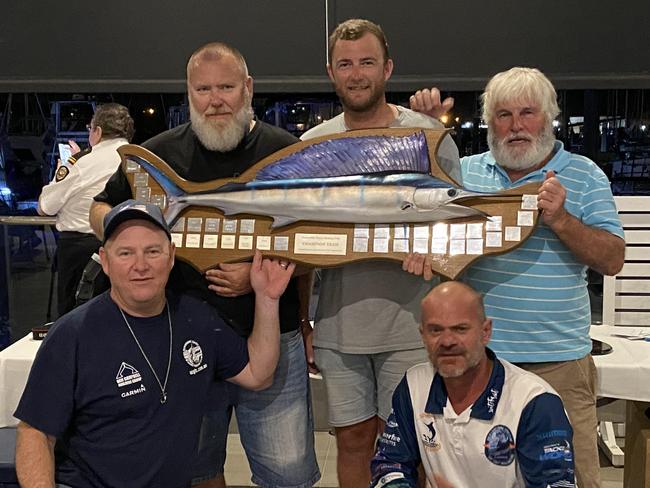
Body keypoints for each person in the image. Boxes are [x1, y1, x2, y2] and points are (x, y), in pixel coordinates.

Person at [89, 43, 319, 488]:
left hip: (274, 333)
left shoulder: (290, 154)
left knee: (288, 472)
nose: (215, 99)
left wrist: (257, 277)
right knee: (194, 469)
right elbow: (101, 208)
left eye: (226, 87)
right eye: (204, 89)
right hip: (180, 342)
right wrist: (126, 231)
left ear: (248, 89)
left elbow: (321, 244)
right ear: (189, 93)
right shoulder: (156, 156)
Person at [407, 67, 625, 488]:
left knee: (572, 479)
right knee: (470, 476)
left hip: (558, 362)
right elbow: (429, 232)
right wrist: (424, 256)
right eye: (503, 115)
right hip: (479, 361)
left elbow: (612, 259)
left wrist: (561, 219)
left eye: (528, 113)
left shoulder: (583, 173)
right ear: (490, 123)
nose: (516, 126)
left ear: (550, 117)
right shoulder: (464, 173)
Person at [14, 199, 295, 488]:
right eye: (126, 253)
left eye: (153, 251)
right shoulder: (72, 334)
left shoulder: (196, 319)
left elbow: (258, 374)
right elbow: (35, 433)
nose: (141, 265)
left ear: (171, 256)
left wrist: (268, 299)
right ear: (105, 261)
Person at [298, 18, 460, 487]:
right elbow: (302, 245)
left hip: (411, 324)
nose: (356, 74)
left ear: (387, 68)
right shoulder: (313, 145)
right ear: (331, 72)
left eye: (366, 62)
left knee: (411, 443)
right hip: (338, 325)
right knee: (351, 441)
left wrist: (433, 252)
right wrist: (305, 321)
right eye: (345, 64)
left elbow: (456, 216)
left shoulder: (428, 135)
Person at [370, 281, 576, 488]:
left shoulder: (535, 401)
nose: (447, 341)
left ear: (485, 332)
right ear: (422, 335)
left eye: (460, 329)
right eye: (435, 330)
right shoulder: (414, 384)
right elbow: (390, 465)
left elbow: (556, 484)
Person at [38, 103, 134, 316]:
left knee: (75, 320)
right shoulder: (138, 160)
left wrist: (63, 169)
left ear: (97, 131)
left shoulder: (80, 163)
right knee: (124, 316)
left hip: (79, 251)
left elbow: (45, 207)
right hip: (129, 248)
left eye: (90, 129)